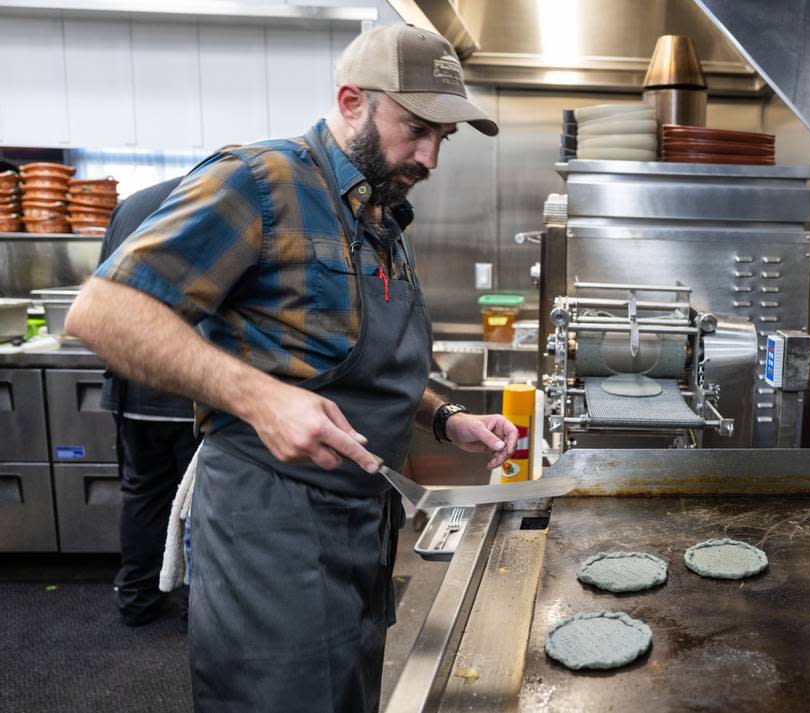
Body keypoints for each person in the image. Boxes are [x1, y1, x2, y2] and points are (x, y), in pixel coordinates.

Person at [67, 24, 517, 713]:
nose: (428, 156)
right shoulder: (260, 182)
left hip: (362, 528)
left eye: (442, 139)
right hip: (270, 531)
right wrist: (259, 398)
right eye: (415, 129)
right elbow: (102, 313)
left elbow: (346, 360)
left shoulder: (382, 216)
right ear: (349, 101)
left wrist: (446, 417)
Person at [97, 176, 198, 627]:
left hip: (134, 387)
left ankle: (136, 599)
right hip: (194, 389)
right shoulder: (218, 202)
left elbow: (102, 288)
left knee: (143, 492)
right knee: (199, 504)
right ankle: (197, 610)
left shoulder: (131, 206)